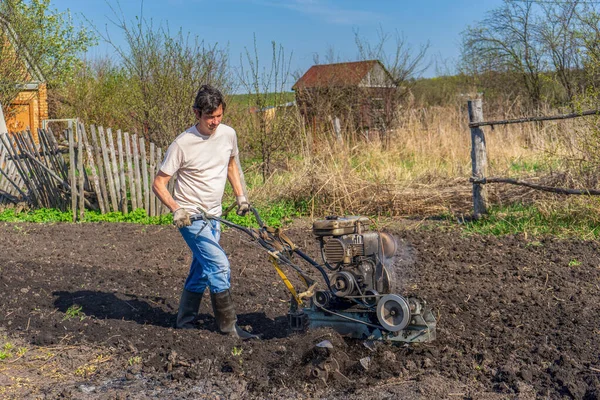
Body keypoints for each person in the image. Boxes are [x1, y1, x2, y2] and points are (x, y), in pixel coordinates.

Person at [152, 84, 258, 339]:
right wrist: (177, 209)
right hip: (191, 217)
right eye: (210, 116)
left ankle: (185, 321)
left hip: (215, 215)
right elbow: (158, 183)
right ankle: (229, 328)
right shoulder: (182, 143)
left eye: (219, 115)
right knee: (219, 265)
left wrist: (241, 196)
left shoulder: (228, 134)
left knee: (201, 270)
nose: (215, 122)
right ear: (197, 113)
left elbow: (231, 164)